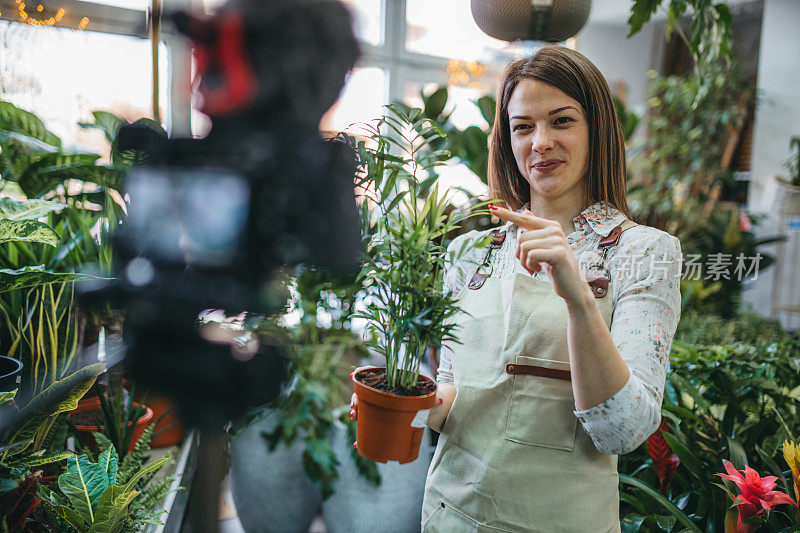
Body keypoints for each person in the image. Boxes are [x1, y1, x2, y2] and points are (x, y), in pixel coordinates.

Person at [352, 45, 683, 532]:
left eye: (562, 121)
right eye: (523, 127)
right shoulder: (472, 253)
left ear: (597, 131)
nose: (540, 142)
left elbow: (625, 428)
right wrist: (406, 407)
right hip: (453, 516)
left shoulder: (641, 253)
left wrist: (577, 298)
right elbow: (462, 403)